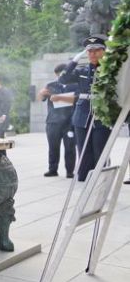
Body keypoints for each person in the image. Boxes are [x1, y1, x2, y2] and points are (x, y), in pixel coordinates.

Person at [59, 35, 111, 182]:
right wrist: (74, 61)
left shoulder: (111, 70)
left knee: (100, 151)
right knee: (83, 152)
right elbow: (63, 79)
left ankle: (100, 180)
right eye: (89, 51)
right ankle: (83, 180)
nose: (92, 54)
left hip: (102, 117)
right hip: (82, 116)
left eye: (96, 50)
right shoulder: (81, 70)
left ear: (104, 51)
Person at [38, 63, 76, 178]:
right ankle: (52, 169)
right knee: (53, 146)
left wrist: (59, 98)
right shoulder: (50, 85)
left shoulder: (74, 85)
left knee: (70, 147)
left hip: (69, 121)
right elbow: (41, 99)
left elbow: (76, 100)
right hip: (53, 122)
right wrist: (41, 93)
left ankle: (70, 171)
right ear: (56, 74)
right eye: (60, 74)